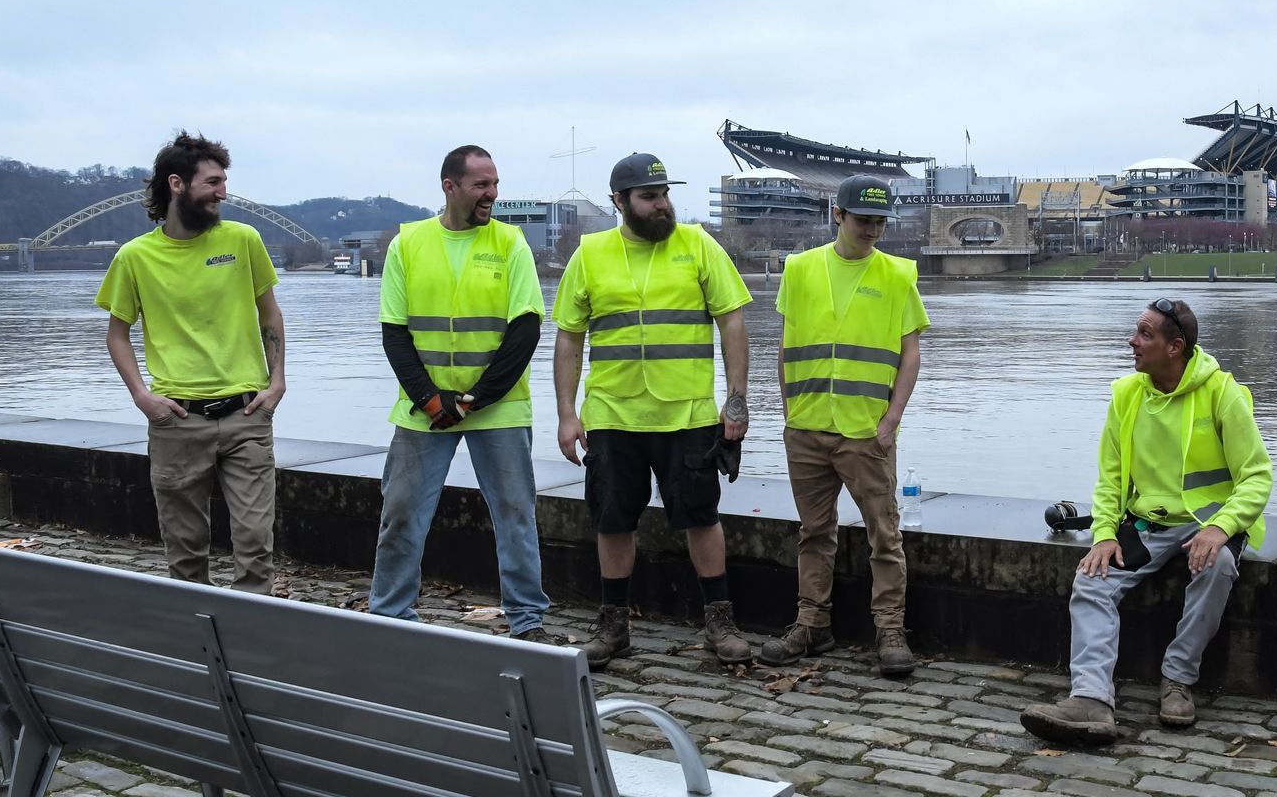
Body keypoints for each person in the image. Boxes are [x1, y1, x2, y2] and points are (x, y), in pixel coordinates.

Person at [1020, 299, 1272, 745]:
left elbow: (1256, 476)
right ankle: (1092, 700)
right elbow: (1110, 479)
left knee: (1218, 568)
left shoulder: (1223, 393)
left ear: (1175, 347)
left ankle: (1177, 680)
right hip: (1146, 526)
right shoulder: (1126, 394)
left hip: (1209, 523)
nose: (1132, 341)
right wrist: (1102, 535)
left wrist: (1221, 527)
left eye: (1144, 334)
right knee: (1092, 580)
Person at [553, 152, 754, 666]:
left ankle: (719, 621)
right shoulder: (591, 253)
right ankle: (613, 625)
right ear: (619, 201)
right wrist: (567, 414)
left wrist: (736, 401)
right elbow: (570, 339)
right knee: (612, 520)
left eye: (665, 193)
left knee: (701, 517)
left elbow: (732, 323)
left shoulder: (698, 245)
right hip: (612, 415)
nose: (662, 204)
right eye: (649, 196)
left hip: (687, 414)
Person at [369, 145, 551, 640]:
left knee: (516, 514)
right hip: (425, 409)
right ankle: (389, 615)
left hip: (498, 407)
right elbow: (394, 332)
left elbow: (525, 331)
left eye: (495, 184)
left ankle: (526, 619)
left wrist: (473, 400)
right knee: (401, 512)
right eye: (481, 185)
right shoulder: (407, 244)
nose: (493, 194)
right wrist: (430, 399)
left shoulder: (510, 243)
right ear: (450, 186)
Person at [96, 131, 285, 593]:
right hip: (177, 419)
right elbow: (116, 334)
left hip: (246, 413)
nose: (224, 192)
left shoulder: (243, 240)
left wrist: (276, 382)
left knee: (255, 542)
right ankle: (196, 643)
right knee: (184, 548)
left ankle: (248, 643)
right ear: (177, 184)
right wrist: (143, 397)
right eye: (214, 182)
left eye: (224, 182)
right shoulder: (135, 256)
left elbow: (270, 312)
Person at [757, 175, 928, 677]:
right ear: (838, 215)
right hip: (807, 425)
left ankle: (890, 630)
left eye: (879, 221)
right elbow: (787, 346)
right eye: (863, 219)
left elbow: (910, 352)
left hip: (865, 428)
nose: (873, 229)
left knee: (884, 534)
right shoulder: (801, 268)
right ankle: (812, 623)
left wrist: (891, 420)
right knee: (814, 531)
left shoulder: (898, 275)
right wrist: (789, 413)